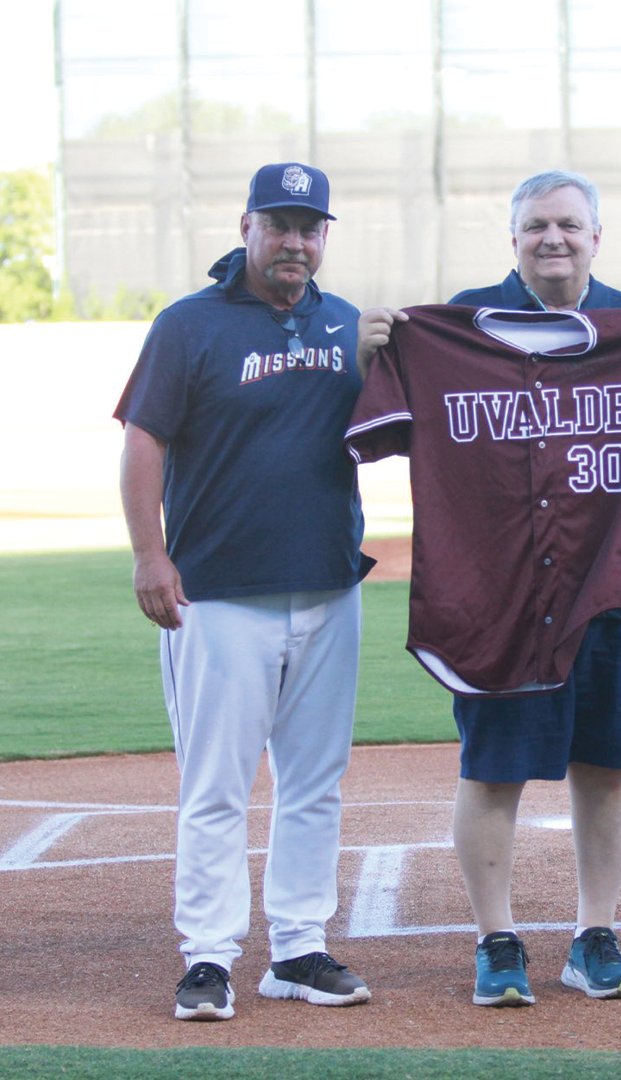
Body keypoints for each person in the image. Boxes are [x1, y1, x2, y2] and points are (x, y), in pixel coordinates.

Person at [358, 170, 621, 1007]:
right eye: (536, 226)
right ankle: (497, 942)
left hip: (614, 580)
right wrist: (377, 352)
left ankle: (592, 937)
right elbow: (376, 437)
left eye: (569, 224)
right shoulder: (450, 328)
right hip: (492, 589)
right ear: (514, 239)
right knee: (492, 767)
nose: (553, 239)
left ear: (596, 236)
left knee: (603, 766)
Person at [114, 162, 374, 1021]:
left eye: (311, 227)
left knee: (314, 782)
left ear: (324, 236)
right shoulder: (189, 325)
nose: (296, 241)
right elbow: (144, 442)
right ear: (247, 227)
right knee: (216, 786)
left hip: (330, 588)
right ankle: (210, 957)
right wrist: (152, 556)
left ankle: (297, 948)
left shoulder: (346, 325)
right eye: (280, 224)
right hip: (218, 594)